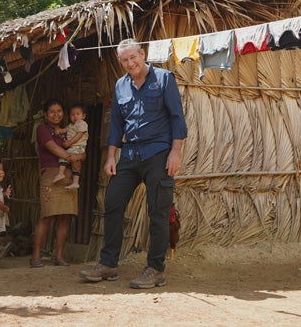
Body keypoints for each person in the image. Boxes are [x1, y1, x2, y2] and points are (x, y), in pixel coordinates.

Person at [79, 38, 187, 289]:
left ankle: (156, 269)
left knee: (158, 211)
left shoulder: (163, 79)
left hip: (158, 153)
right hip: (129, 155)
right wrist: (110, 157)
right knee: (113, 203)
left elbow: (177, 118)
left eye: (133, 57)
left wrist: (176, 152)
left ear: (142, 53)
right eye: (124, 60)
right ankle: (108, 264)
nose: (130, 63)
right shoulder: (121, 86)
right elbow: (116, 123)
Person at [31, 98, 85, 268]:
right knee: (47, 216)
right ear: (46, 115)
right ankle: (36, 257)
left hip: (68, 175)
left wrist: (79, 157)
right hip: (51, 175)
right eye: (52, 111)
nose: (56, 114)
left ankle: (59, 256)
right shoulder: (42, 130)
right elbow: (53, 148)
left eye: (59, 111)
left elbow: (82, 150)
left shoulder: (70, 129)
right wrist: (72, 158)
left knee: (64, 217)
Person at [53, 103, 89, 189]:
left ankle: (61, 173)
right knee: (74, 164)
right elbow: (65, 129)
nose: (75, 116)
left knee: (65, 155)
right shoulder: (71, 125)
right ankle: (75, 182)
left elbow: (79, 135)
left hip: (78, 147)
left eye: (78, 114)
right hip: (74, 148)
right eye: (72, 114)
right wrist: (60, 131)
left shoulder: (82, 123)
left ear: (83, 116)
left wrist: (69, 142)